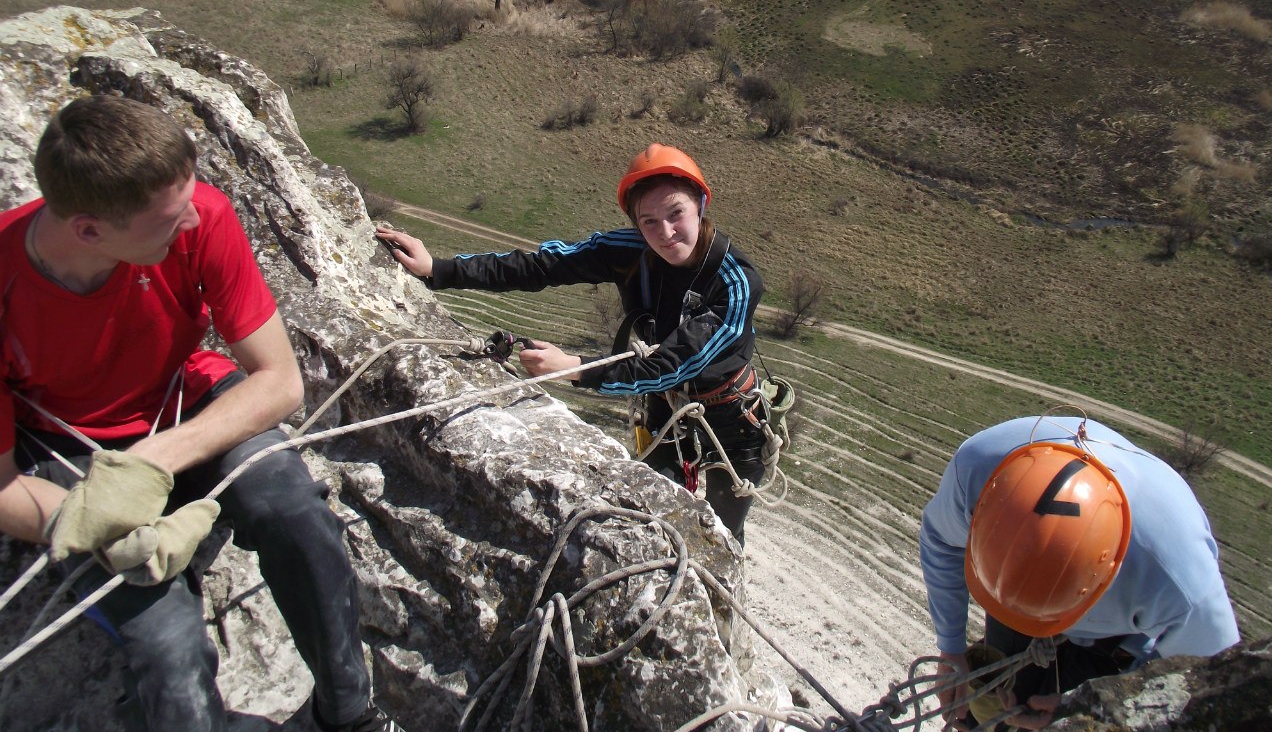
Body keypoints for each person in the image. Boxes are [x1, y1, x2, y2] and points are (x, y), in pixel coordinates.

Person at [0, 96, 398, 732]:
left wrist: (157, 459)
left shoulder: (199, 213)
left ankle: (348, 716)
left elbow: (278, 382)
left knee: (297, 517)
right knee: (168, 651)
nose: (192, 219)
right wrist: (89, 521)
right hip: (72, 453)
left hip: (184, 404)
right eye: (166, 218)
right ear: (89, 230)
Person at [377, 143, 767, 545]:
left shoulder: (735, 282)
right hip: (664, 405)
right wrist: (439, 269)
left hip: (730, 418)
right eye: (648, 221)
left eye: (676, 214)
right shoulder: (630, 250)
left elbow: (672, 365)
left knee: (722, 532)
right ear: (635, 223)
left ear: (700, 204)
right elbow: (541, 266)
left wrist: (573, 367)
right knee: (658, 521)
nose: (665, 233)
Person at [919, 415, 1239, 730]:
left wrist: (1094, 706)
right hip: (1019, 586)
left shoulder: (1178, 581)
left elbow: (1208, 684)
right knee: (989, 707)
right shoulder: (978, 474)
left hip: (1116, 645)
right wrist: (952, 649)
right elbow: (941, 541)